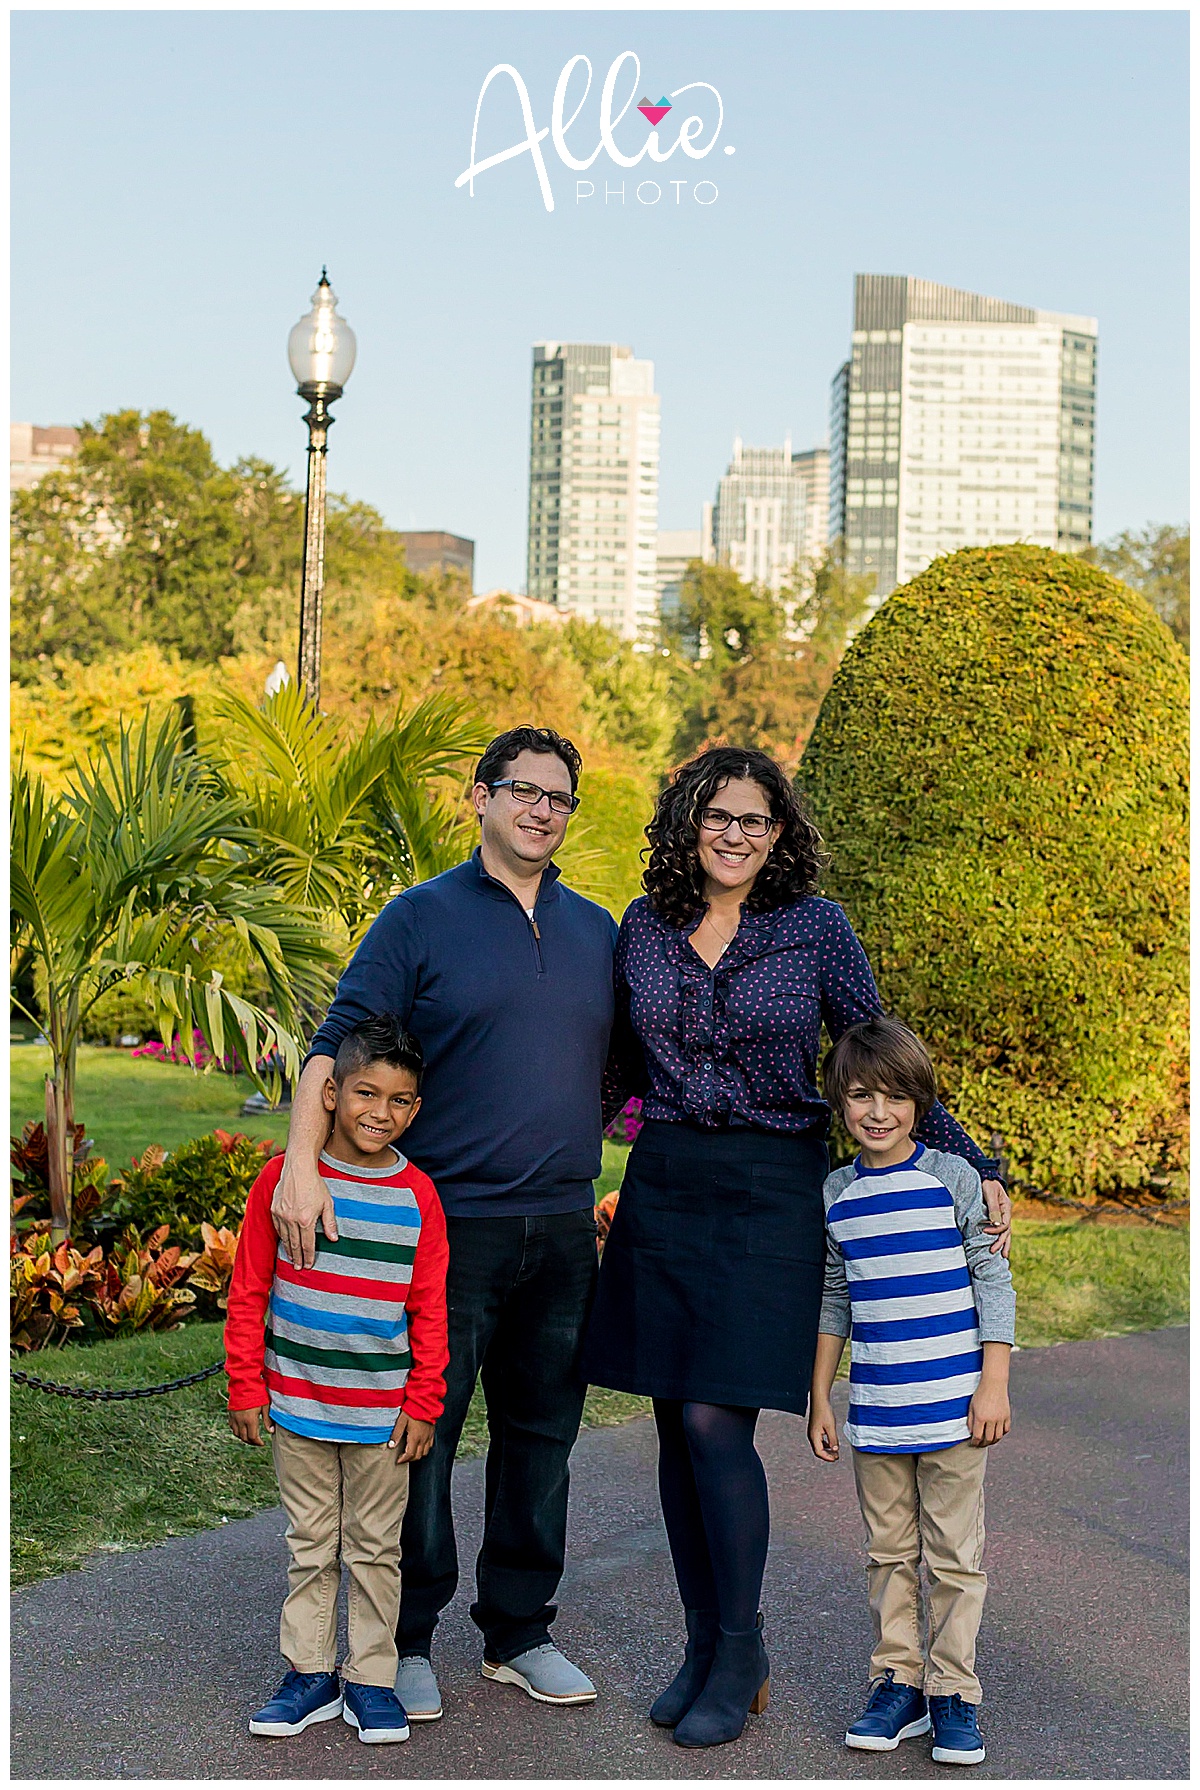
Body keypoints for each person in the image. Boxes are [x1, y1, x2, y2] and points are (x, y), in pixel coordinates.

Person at [581, 745, 1011, 1751]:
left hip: (772, 1188)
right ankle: (702, 1645)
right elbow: (616, 1068)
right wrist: (552, 1161)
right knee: (672, 1425)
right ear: (688, 820)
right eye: (718, 814)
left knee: (714, 1418)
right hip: (670, 1180)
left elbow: (877, 1047)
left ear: (780, 833)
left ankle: (740, 1648)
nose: (736, 833)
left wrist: (975, 1159)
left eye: (756, 819)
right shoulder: (645, 925)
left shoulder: (815, 927)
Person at [269, 726, 620, 1720]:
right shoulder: (418, 918)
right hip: (444, 1227)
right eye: (523, 790)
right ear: (480, 797)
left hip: (559, 1230)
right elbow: (334, 1043)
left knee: (543, 1434)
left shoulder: (596, 927)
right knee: (422, 1428)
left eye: (560, 797)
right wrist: (301, 1165)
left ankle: (517, 1628)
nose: (541, 808)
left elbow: (635, 1065)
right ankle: (407, 1633)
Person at [225, 1015, 448, 1746]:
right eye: (364, 1092)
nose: (380, 1112)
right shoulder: (288, 1181)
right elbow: (250, 1289)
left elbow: (429, 1311)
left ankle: (372, 1680)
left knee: (376, 1549)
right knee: (311, 1544)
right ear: (330, 1093)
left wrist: (424, 1404)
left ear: (416, 1106)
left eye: (399, 1100)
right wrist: (246, 1386)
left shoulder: (420, 1199)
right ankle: (310, 1676)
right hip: (298, 1405)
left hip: (385, 1419)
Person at [808, 1015, 1015, 1768]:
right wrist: (819, 1396)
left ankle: (953, 1692)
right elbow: (836, 1297)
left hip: (959, 1410)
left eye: (894, 1096)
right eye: (861, 1095)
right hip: (880, 1414)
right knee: (888, 1554)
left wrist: (993, 1383)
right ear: (841, 1103)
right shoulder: (836, 1194)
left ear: (919, 1103)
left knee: (956, 1557)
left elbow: (992, 1276)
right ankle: (898, 1681)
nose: (878, 1111)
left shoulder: (954, 1180)